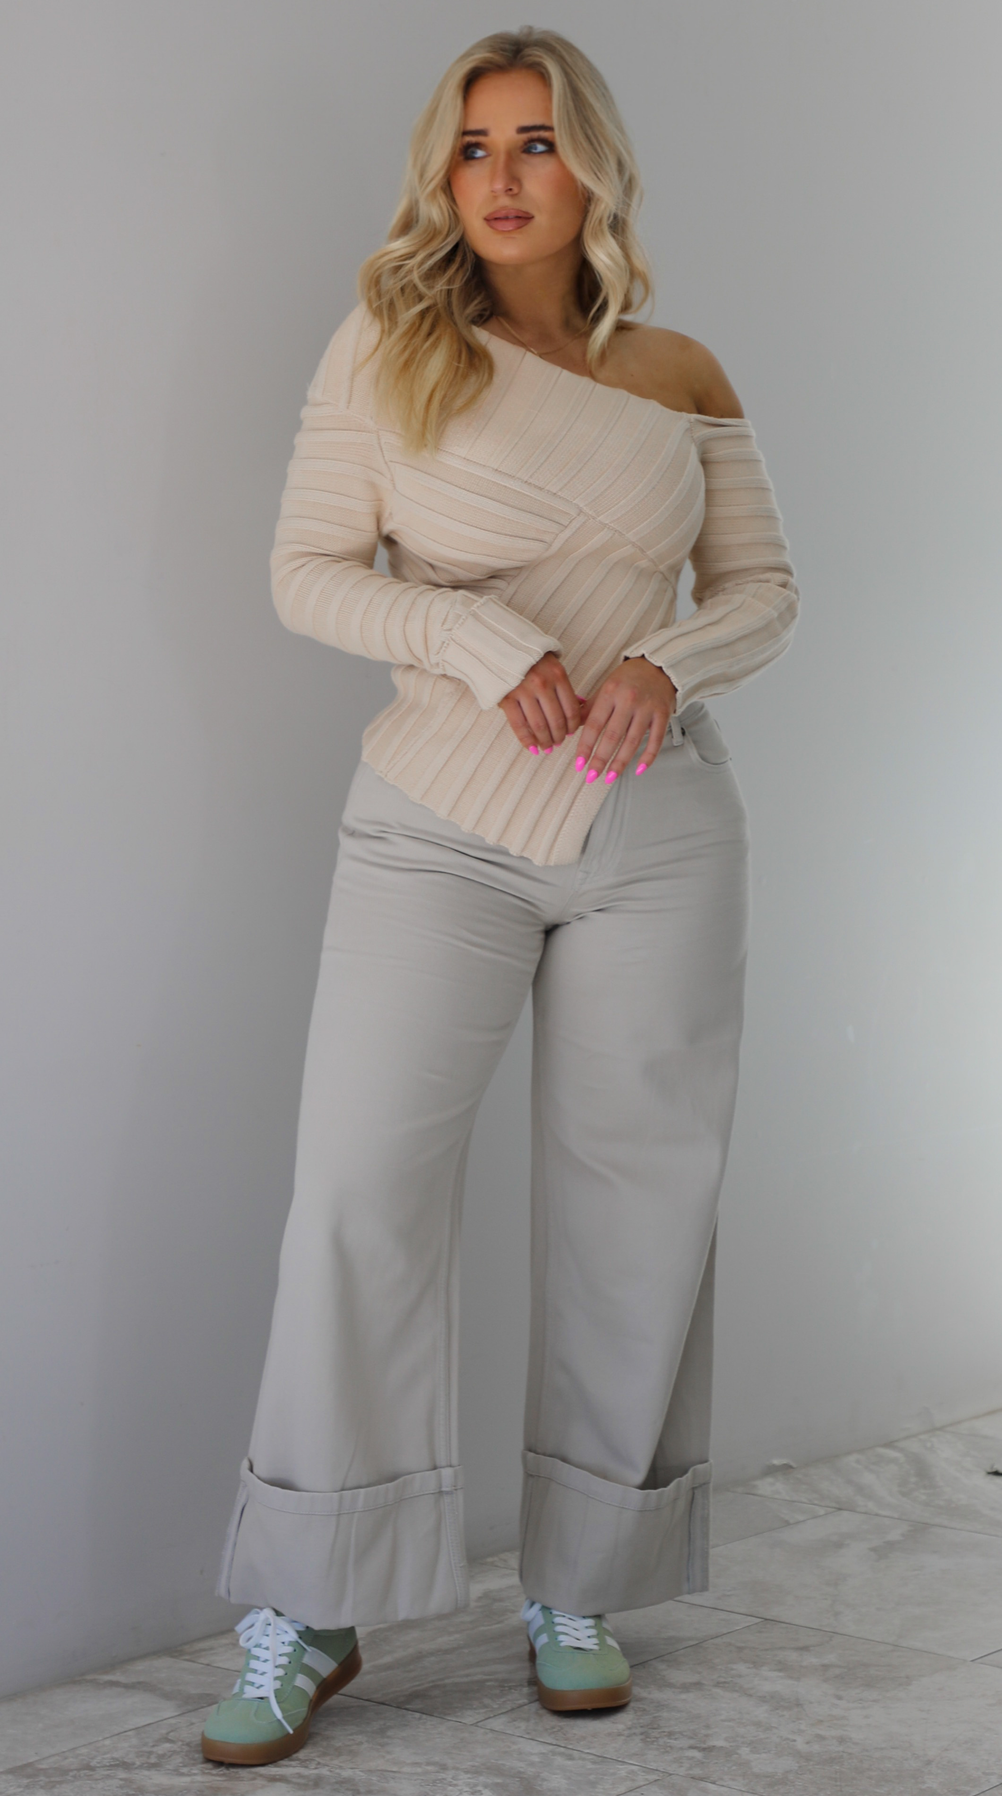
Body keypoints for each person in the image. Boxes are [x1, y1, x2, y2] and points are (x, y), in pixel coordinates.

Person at [200, 25, 798, 1767]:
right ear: (442, 176)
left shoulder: (680, 369)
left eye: (537, 141)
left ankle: (582, 1585)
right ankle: (311, 1606)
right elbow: (308, 573)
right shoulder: (390, 343)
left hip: (654, 836)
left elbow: (765, 589)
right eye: (475, 148)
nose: (506, 175)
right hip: (434, 826)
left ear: (591, 164)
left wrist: (668, 666)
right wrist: (473, 633)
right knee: (357, 1198)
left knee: (640, 1207)